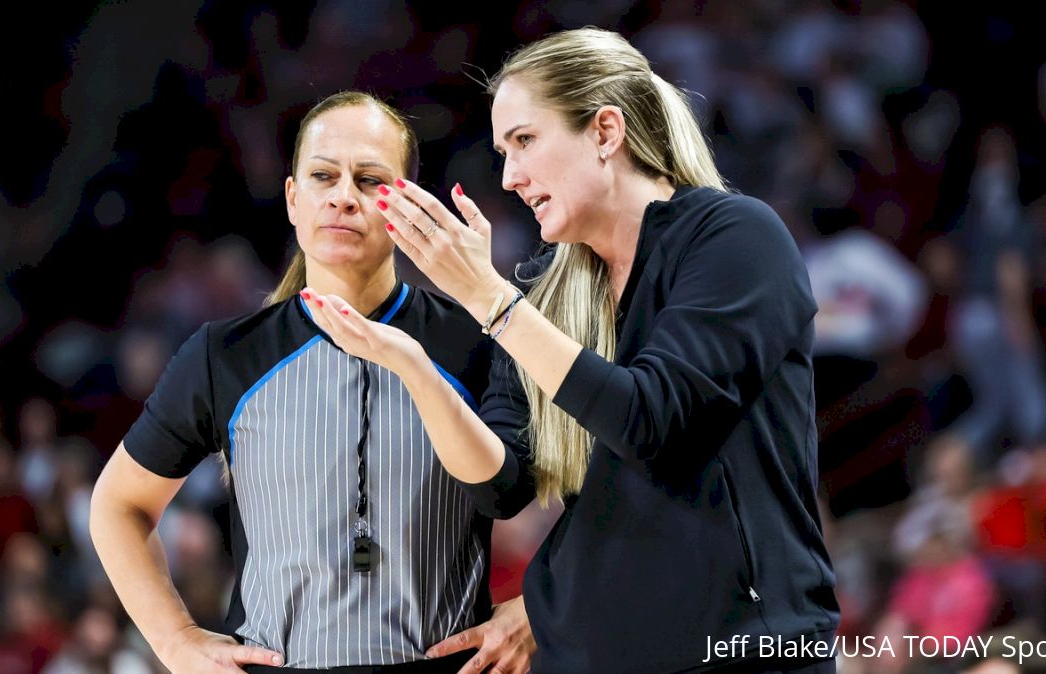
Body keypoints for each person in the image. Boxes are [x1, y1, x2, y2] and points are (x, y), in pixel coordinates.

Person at [300, 28, 839, 672]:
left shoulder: (735, 238)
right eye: (502, 151)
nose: (510, 177)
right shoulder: (539, 292)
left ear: (606, 131)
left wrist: (491, 302)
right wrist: (414, 366)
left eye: (525, 141)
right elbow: (502, 486)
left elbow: (652, 422)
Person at [89, 91, 532, 674]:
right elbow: (118, 504)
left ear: (407, 204)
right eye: (323, 176)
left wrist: (533, 607)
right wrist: (174, 640)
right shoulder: (225, 356)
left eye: (370, 180)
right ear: (294, 200)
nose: (343, 197)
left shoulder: (480, 339)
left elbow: (562, 496)